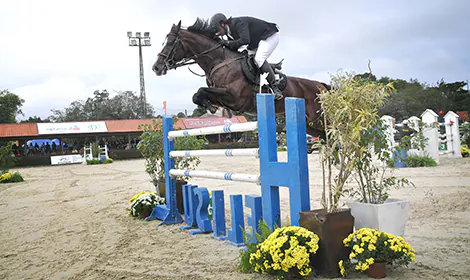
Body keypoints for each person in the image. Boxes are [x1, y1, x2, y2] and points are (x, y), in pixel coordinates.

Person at [209, 13, 283, 99]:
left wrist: (227, 43)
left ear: (222, 24)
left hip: (269, 37)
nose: (218, 33)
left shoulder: (238, 23)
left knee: (259, 59)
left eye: (217, 29)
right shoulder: (229, 33)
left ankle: (275, 87)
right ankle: (273, 67)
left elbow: (245, 40)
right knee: (247, 59)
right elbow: (235, 47)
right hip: (257, 42)